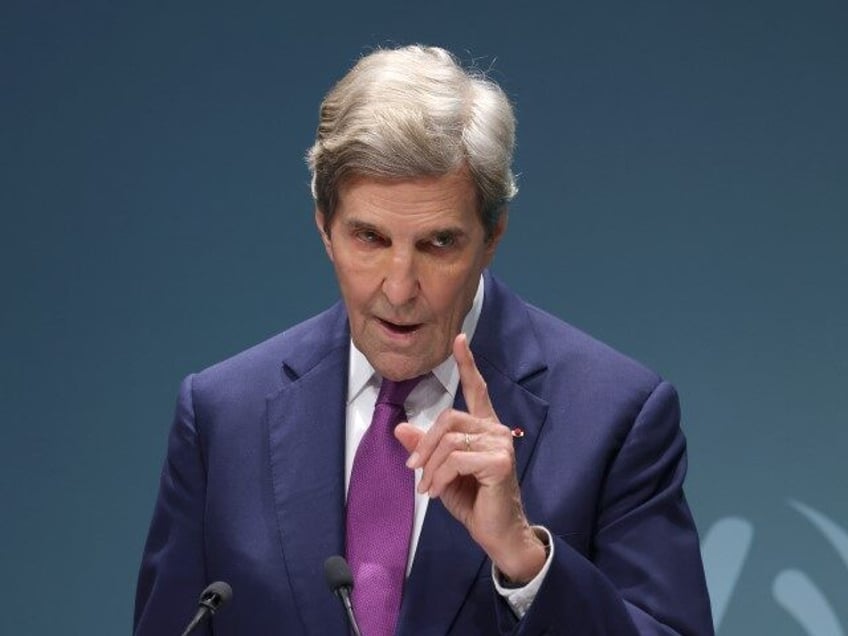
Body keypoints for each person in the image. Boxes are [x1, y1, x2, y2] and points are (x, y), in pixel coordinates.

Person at [134, 44, 714, 635]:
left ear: (492, 237)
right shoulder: (221, 415)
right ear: (324, 230)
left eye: (438, 244)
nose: (400, 286)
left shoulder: (616, 416)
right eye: (369, 238)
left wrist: (527, 562)